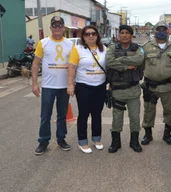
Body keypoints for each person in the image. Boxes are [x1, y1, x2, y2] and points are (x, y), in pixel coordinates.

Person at [32, 16, 73, 155]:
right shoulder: (43, 43)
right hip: (48, 86)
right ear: (50, 28)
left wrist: (72, 84)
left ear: (63, 28)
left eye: (59, 26)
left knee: (62, 115)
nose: (57, 28)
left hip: (64, 86)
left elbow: (74, 66)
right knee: (45, 115)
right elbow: (35, 64)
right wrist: (34, 84)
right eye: (54, 26)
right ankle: (43, 141)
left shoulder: (69, 44)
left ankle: (61, 139)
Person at [141, 21, 171, 146]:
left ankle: (167, 134)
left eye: (164, 29)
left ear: (168, 32)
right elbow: (141, 64)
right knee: (148, 111)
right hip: (150, 86)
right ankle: (148, 134)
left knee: (170, 110)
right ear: (154, 32)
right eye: (159, 29)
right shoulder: (146, 47)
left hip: (167, 87)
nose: (162, 32)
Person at [67, 25, 107, 154]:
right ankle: (82, 141)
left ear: (97, 35)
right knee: (84, 114)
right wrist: (70, 85)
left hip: (100, 86)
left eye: (93, 33)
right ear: (83, 36)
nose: (90, 36)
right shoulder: (77, 49)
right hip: (83, 86)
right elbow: (72, 67)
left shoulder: (104, 49)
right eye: (87, 34)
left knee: (97, 114)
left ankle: (97, 139)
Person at [105, 25, 144, 153]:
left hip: (133, 90)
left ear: (131, 35)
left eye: (127, 33)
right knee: (117, 118)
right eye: (122, 33)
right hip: (117, 90)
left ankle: (134, 141)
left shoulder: (138, 49)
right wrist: (127, 67)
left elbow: (139, 59)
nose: (124, 35)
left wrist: (120, 60)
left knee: (134, 117)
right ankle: (116, 142)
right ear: (119, 35)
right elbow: (109, 62)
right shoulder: (112, 48)